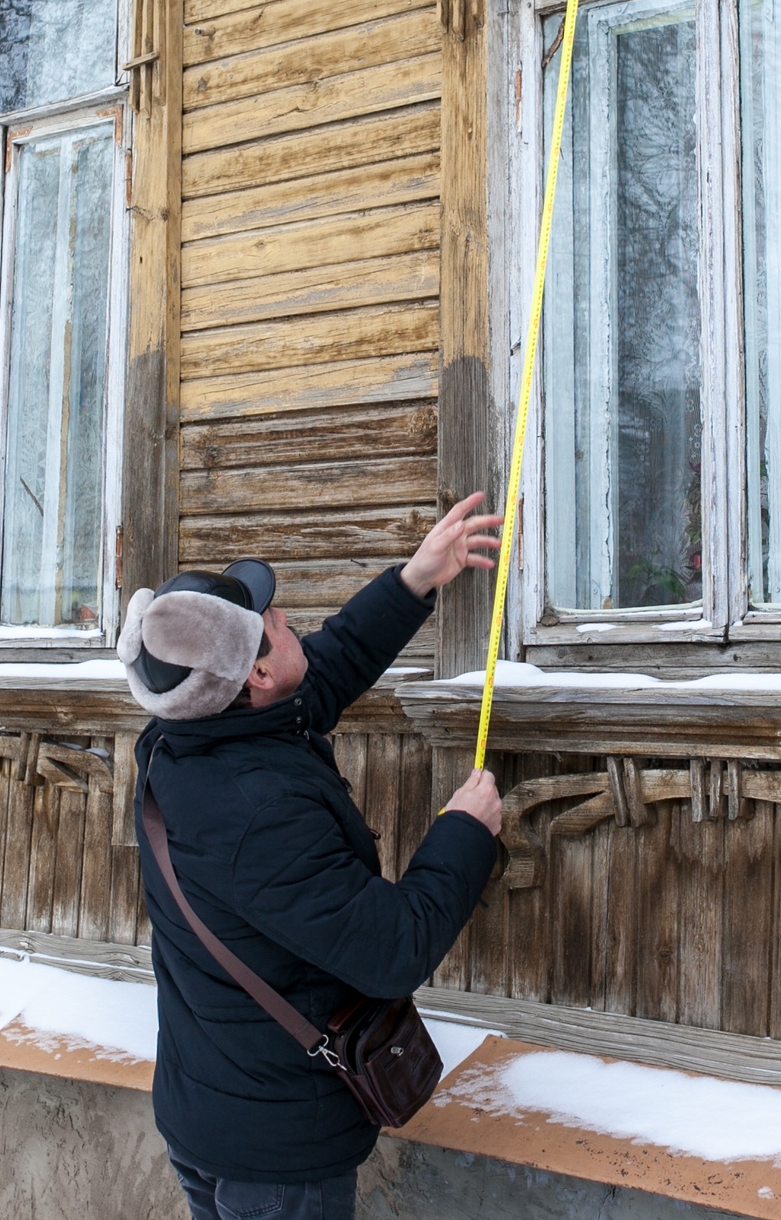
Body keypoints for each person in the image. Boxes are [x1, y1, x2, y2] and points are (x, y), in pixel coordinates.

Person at [125, 492, 508, 1220]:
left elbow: (318, 675)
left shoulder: (183, 742)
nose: (285, 617)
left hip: (211, 1109)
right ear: (257, 679)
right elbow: (393, 947)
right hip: (276, 1159)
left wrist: (413, 580)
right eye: (271, 623)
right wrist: (465, 829)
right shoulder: (257, 815)